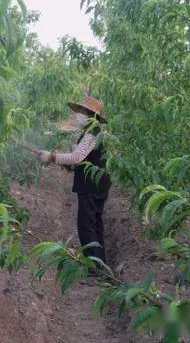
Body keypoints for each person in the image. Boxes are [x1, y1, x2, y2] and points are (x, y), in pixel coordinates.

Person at [37, 95, 112, 266]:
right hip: (97, 184)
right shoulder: (91, 132)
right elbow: (82, 159)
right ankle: (99, 265)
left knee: (87, 227)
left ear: (90, 115)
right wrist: (64, 163)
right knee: (95, 224)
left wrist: (52, 156)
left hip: (91, 186)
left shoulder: (92, 133)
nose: (78, 114)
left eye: (81, 111)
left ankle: (94, 267)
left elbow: (77, 157)